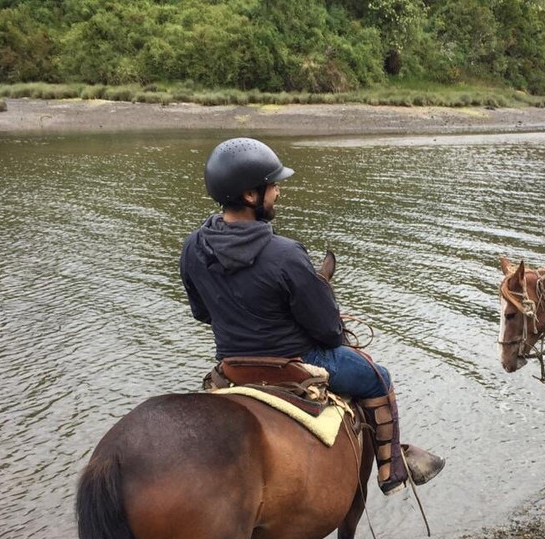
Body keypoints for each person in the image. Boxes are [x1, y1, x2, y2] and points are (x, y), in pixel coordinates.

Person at [179, 137, 444, 495]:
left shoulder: (194, 246)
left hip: (233, 364)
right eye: (272, 185)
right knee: (378, 377)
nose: (277, 192)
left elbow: (202, 313)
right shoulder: (285, 254)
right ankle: (391, 472)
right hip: (298, 360)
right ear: (249, 195)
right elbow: (329, 331)